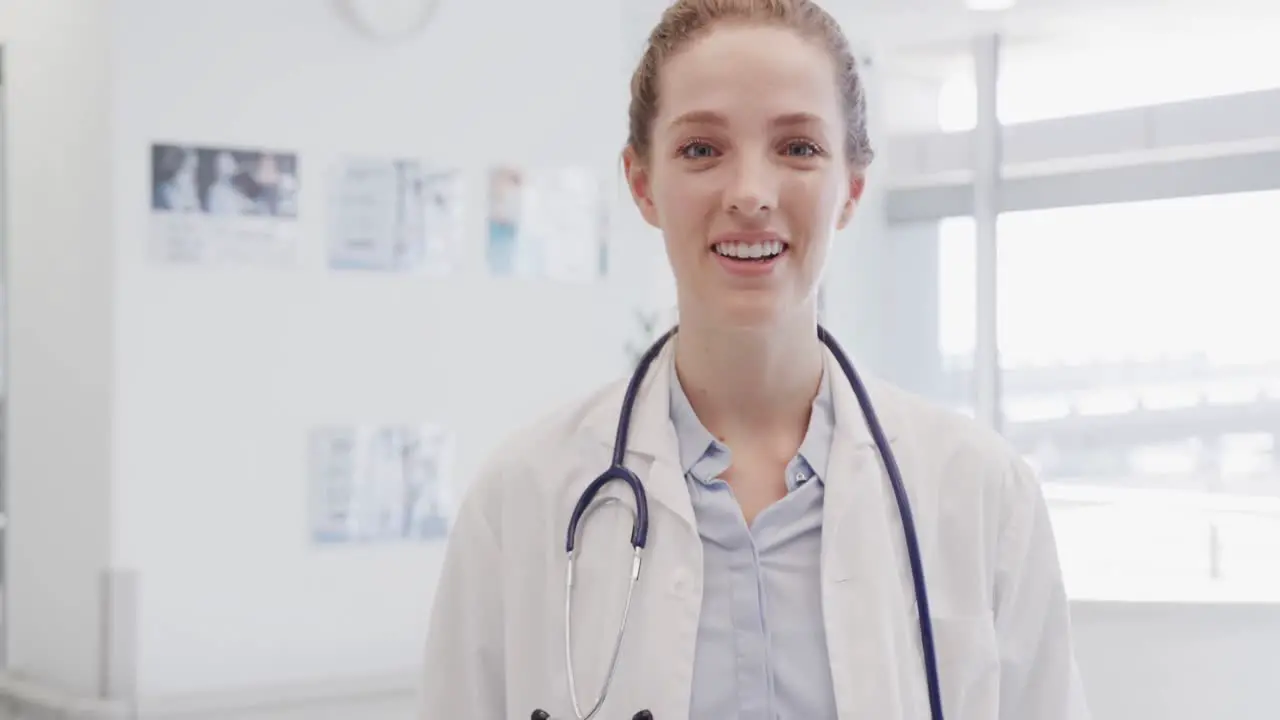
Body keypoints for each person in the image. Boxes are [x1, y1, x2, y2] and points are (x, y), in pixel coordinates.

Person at [421, 1, 1091, 718]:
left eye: (798, 148)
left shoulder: (980, 494)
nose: (749, 194)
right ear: (643, 183)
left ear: (852, 188)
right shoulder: (523, 499)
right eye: (701, 149)